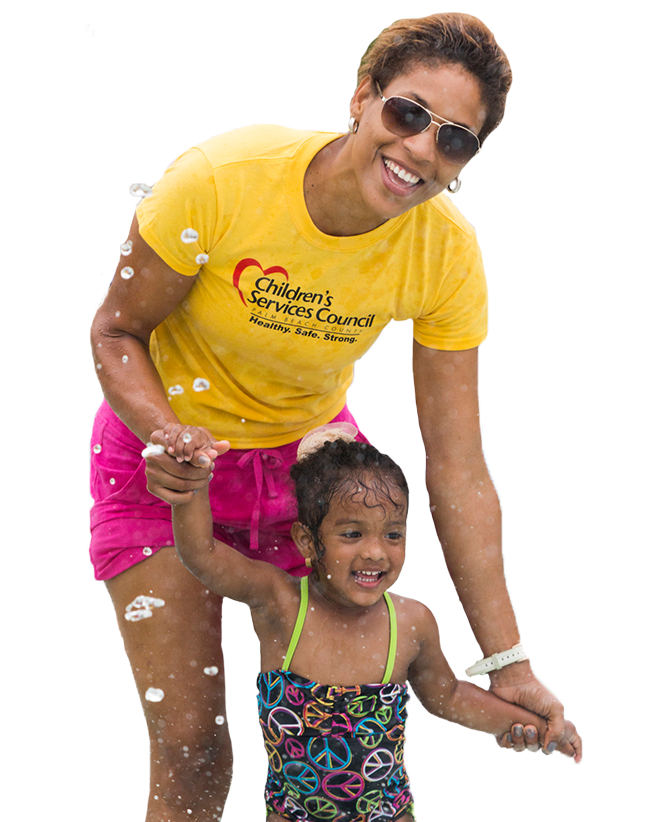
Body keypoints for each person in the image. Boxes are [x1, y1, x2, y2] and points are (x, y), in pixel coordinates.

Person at [88, 11, 581, 821]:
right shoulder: (221, 178)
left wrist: (509, 662)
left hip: (313, 471)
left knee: (336, 743)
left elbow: (457, 463)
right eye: (409, 113)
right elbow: (114, 329)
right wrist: (163, 432)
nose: (422, 149)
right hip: (167, 464)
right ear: (362, 97)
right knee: (191, 744)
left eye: (456, 139)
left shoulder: (445, 254)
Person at [144, 429, 581, 821]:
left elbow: (448, 696)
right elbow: (201, 554)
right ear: (306, 541)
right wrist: (193, 483)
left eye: (393, 534)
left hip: (387, 814)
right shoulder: (281, 605)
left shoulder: (409, 623)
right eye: (352, 534)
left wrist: (531, 725)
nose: (376, 552)